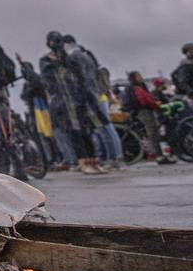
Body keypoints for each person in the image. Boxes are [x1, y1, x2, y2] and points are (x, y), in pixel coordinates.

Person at [40, 31, 105, 174]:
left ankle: (94, 161)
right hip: (63, 102)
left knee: (86, 131)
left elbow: (80, 76)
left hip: (79, 99)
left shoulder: (70, 58)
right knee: (75, 133)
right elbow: (48, 82)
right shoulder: (46, 61)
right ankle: (83, 162)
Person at [63, 34, 124, 170]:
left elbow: (83, 79)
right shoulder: (87, 55)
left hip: (92, 97)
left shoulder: (76, 57)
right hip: (98, 94)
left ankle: (114, 158)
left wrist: (84, 97)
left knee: (104, 128)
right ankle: (115, 157)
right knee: (105, 128)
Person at [126, 71, 172, 164]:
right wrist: (155, 104)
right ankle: (159, 156)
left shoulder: (139, 87)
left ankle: (159, 155)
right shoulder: (137, 88)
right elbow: (144, 100)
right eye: (138, 76)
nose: (141, 77)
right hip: (145, 111)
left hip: (144, 111)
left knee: (153, 133)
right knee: (153, 133)